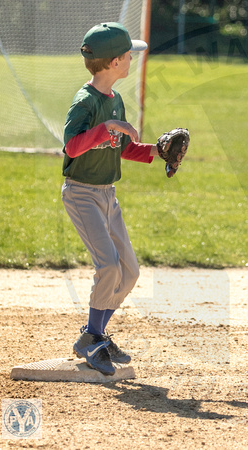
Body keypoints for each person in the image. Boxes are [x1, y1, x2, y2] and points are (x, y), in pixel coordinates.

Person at [61, 23, 161, 376]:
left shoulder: (115, 99)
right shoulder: (85, 102)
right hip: (82, 194)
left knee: (129, 271)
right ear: (114, 63)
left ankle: (97, 334)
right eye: (128, 54)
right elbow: (72, 148)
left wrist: (158, 151)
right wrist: (109, 128)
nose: (132, 58)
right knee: (108, 267)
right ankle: (93, 339)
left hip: (108, 194)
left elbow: (124, 148)